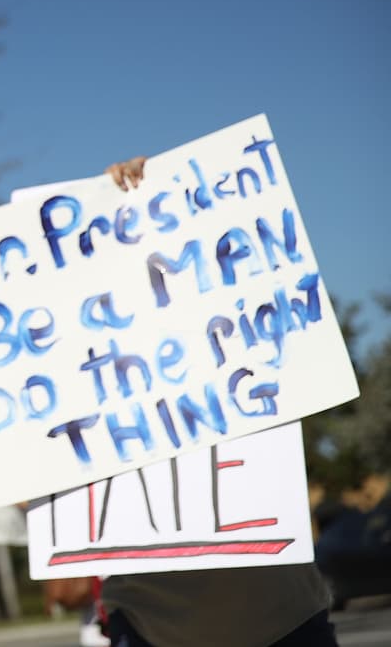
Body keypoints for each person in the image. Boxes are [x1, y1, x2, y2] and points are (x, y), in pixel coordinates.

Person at [98, 156, 337, 647]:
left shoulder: (244, 356)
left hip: (285, 618)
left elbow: (303, 364)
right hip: (151, 628)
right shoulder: (89, 402)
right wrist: (98, 209)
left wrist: (147, 195)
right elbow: (34, 493)